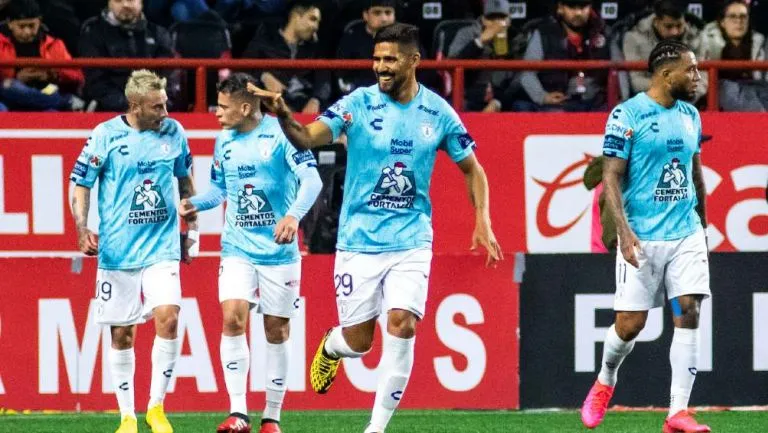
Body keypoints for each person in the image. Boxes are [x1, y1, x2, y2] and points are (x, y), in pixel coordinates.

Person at [248, 23, 503, 433]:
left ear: (413, 60)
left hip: (412, 240)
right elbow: (307, 138)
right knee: (359, 342)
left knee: (402, 322)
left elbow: (473, 169)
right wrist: (283, 115)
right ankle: (333, 346)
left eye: (390, 59)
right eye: (377, 59)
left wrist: (483, 220)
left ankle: (376, 428)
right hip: (358, 242)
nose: (380, 67)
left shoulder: (437, 112)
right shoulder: (358, 104)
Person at [177, 73, 322, 433]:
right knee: (233, 318)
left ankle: (271, 416)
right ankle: (238, 412)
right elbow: (219, 191)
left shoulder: (283, 135)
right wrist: (194, 204)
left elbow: (313, 181)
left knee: (276, 329)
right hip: (237, 248)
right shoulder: (223, 140)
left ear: (245, 107)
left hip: (278, 252)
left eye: (223, 107)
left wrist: (292, 216)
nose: (216, 113)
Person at [580, 40, 711, 433]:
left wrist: (703, 228)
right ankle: (605, 379)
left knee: (688, 309)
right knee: (631, 324)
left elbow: (696, 175)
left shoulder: (690, 115)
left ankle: (677, 413)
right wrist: (622, 230)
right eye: (690, 70)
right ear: (665, 74)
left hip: (685, 231)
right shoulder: (627, 115)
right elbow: (610, 176)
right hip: (642, 235)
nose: (697, 78)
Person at [69, 69, 197, 433]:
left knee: (168, 317)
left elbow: (185, 182)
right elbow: (81, 184)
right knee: (122, 334)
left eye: (166, 104)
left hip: (162, 246)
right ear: (135, 106)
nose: (166, 113)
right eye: (157, 107)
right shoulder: (104, 136)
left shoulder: (174, 133)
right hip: (118, 251)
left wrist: (193, 229)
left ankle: (156, 408)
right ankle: (127, 415)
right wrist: (81, 228)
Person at [79, 0, 176, 112]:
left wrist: (155, 103)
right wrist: (131, 106)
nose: (125, 5)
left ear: (141, 2)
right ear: (109, 3)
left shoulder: (159, 34)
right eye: (118, 1)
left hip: (153, 111)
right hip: (105, 113)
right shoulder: (92, 32)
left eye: (130, 0)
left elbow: (169, 78)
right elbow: (96, 81)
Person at [243, 0, 329, 114]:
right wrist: (263, 76)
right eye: (312, 19)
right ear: (296, 17)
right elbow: (242, 71)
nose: (316, 27)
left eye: (318, 22)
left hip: (304, 110)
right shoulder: (265, 40)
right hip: (269, 110)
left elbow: (324, 80)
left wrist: (316, 100)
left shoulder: (315, 49)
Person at [0, 0, 86, 111]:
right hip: (9, 97)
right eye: (21, 26)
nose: (27, 32)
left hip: (45, 90)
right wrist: (17, 77)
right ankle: (65, 101)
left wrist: (51, 75)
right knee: (10, 86)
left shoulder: (53, 44)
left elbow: (77, 76)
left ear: (39, 22)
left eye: (31, 26)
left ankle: (57, 102)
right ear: (10, 23)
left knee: (52, 110)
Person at [623, 0, 707, 101]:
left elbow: (702, 78)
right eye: (669, 26)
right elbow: (636, 81)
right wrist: (669, 89)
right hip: (648, 102)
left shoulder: (698, 36)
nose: (675, 32)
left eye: (679, 25)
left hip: (687, 102)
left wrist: (685, 100)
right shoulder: (633, 37)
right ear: (656, 21)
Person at [701, 0, 768, 111]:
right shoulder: (707, 41)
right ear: (722, 22)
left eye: (743, 17)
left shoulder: (760, 42)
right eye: (733, 16)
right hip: (722, 90)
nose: (739, 21)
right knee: (728, 89)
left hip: (757, 88)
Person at [336, 0, 396, 95]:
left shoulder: (406, 39)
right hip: (360, 98)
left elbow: (421, 72)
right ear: (366, 15)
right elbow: (342, 75)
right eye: (377, 13)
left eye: (388, 13)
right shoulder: (351, 38)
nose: (384, 18)